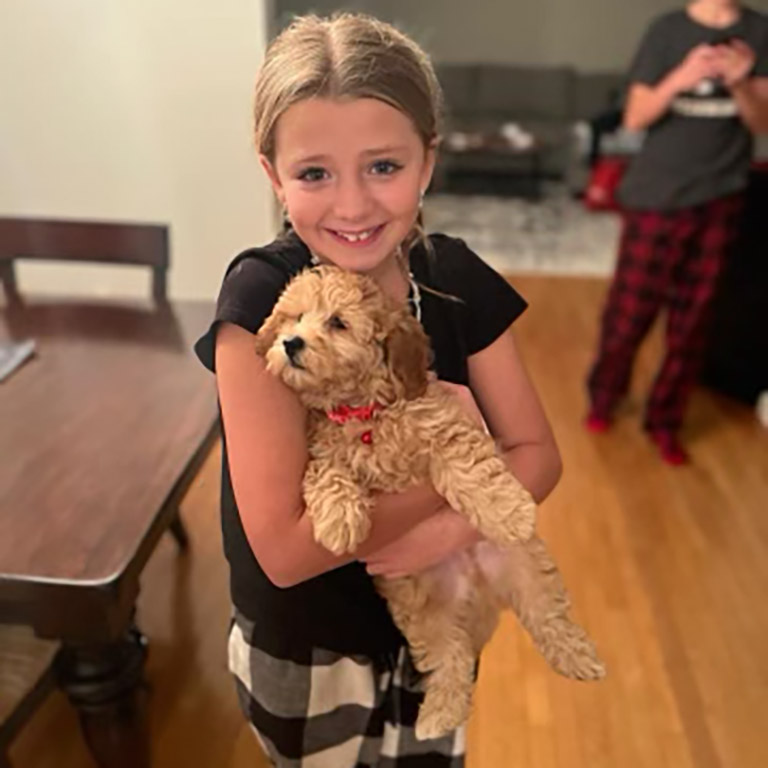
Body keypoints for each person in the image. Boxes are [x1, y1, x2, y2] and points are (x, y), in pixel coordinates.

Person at [194, 13, 562, 767]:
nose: (354, 207)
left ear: (427, 162)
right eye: (315, 173)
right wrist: (460, 464)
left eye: (384, 168)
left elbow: (541, 454)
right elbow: (290, 554)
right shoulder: (262, 299)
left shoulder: (455, 278)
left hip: (443, 617)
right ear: (273, 174)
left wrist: (448, 531)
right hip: (312, 646)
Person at [585, 0, 768, 465]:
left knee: (693, 324)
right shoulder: (666, 30)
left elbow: (762, 125)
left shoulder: (760, 32)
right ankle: (604, 398)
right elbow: (635, 117)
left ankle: (665, 420)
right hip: (656, 197)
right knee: (630, 313)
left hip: (721, 199)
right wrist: (684, 75)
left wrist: (740, 80)